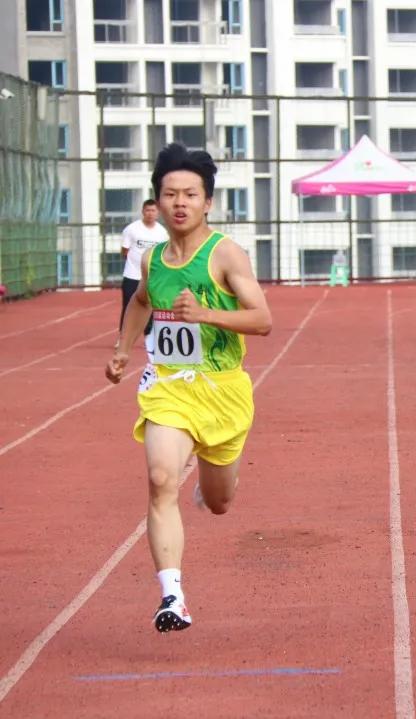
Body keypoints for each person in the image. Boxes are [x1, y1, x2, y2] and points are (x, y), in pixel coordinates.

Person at [105, 143, 272, 632]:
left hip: (222, 392)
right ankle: (172, 596)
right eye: (170, 193)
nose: (179, 202)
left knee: (220, 502)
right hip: (170, 387)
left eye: (190, 194)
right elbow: (139, 302)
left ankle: (209, 484)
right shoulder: (154, 257)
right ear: (157, 200)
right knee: (160, 480)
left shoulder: (225, 253)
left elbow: (262, 319)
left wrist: (204, 314)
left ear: (207, 202)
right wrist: (122, 347)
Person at [118, 199, 168, 352]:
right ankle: (123, 339)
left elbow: (165, 253)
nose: (150, 214)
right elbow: (124, 251)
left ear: (158, 213)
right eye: (148, 210)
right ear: (143, 211)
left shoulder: (162, 232)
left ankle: (149, 336)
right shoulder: (131, 229)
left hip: (153, 277)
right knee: (128, 306)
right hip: (132, 275)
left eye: (153, 211)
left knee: (152, 307)